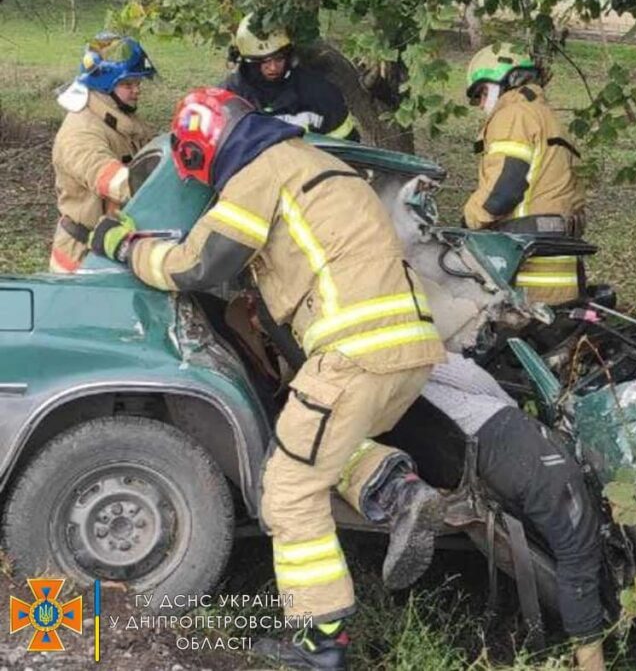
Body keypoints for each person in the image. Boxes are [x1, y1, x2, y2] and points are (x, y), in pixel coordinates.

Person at [88, 87, 446, 670]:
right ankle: (397, 489)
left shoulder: (258, 172)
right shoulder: (322, 162)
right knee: (321, 443)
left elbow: (197, 265)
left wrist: (123, 245)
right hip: (409, 348)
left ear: (201, 149)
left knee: (287, 490)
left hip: (354, 349)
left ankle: (321, 644)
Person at [417, 353, 606, 671]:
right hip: (505, 436)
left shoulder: (348, 380)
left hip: (469, 462)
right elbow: (471, 378)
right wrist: (508, 404)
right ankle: (592, 663)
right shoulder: (408, 346)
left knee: (556, 540)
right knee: (577, 552)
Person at [463, 43, 587, 305]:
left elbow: (503, 191)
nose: (481, 104)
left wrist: (467, 220)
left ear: (506, 79)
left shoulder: (514, 114)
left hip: (526, 270)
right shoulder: (545, 115)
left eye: (483, 92)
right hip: (558, 263)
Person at [49, 33, 155, 273]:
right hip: (80, 260)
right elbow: (111, 180)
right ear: (103, 85)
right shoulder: (80, 132)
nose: (136, 91)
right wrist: (161, 189)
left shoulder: (120, 118)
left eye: (138, 84)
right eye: (128, 84)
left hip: (110, 244)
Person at [224, 13, 359, 141]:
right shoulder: (228, 98)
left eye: (279, 59)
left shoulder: (320, 94)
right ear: (249, 63)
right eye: (264, 62)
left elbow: (346, 146)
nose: (273, 67)